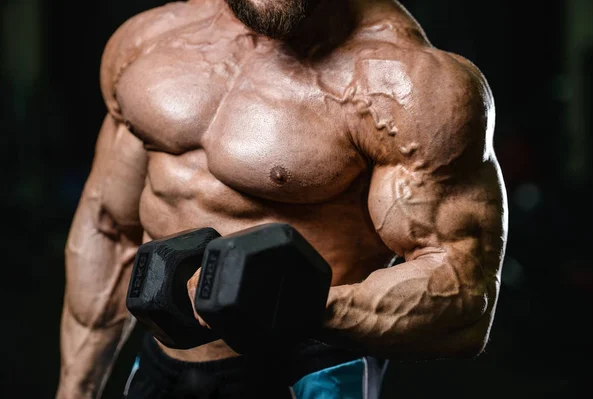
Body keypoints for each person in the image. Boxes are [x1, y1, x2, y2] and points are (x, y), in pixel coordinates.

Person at [56, 0, 508, 398]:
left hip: (308, 374)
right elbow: (110, 229)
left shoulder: (412, 85)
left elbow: (464, 297)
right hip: (161, 369)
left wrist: (303, 308)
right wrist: (75, 390)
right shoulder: (148, 42)